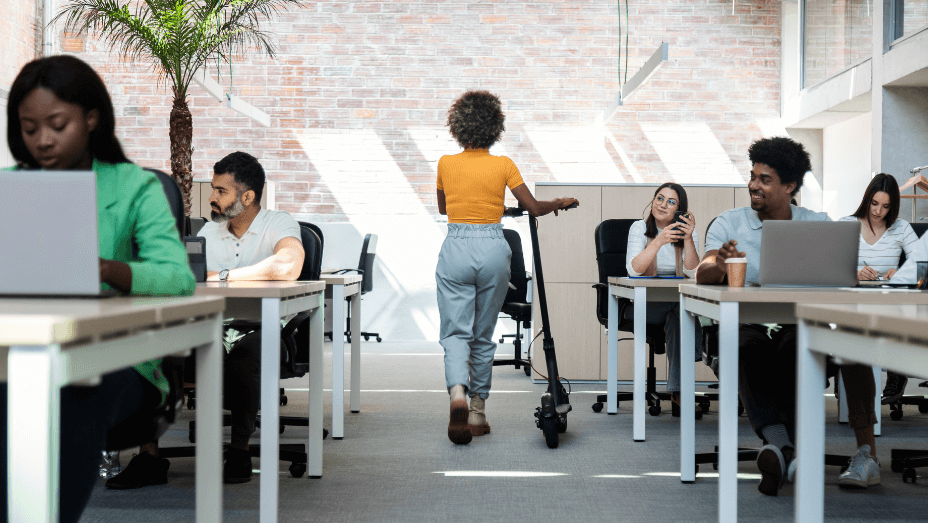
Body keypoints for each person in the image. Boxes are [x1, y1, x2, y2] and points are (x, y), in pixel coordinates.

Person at [1, 55, 195, 523]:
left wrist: (109, 270)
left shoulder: (134, 186)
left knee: (68, 395)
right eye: (29, 128)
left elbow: (177, 276)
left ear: (91, 118)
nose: (42, 140)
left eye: (56, 124)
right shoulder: (9, 187)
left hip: (119, 357)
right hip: (18, 348)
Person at [105, 151, 305, 487]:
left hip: (262, 327)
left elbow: (288, 265)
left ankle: (239, 449)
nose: (211, 197)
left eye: (220, 191)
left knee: (247, 355)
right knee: (158, 349)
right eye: (212, 189)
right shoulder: (208, 234)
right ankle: (149, 456)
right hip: (209, 326)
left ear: (247, 197)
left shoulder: (278, 222)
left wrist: (223, 276)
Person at [696, 136, 879, 495]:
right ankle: (787, 451)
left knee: (808, 346)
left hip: (799, 325)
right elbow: (703, 274)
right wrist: (717, 260)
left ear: (790, 187)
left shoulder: (819, 224)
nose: (753, 185)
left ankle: (796, 452)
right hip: (747, 325)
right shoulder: (728, 224)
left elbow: (844, 276)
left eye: (765, 179)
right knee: (744, 348)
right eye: (752, 176)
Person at [436, 90, 578, 445]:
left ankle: (457, 393)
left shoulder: (445, 163)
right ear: (494, 127)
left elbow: (445, 208)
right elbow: (532, 207)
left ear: (457, 126)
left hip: (456, 246)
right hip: (493, 249)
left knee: (456, 333)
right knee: (482, 336)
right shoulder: (503, 165)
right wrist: (559, 201)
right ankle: (477, 411)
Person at [839, 173, 919, 406]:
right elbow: (831, 265)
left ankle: (896, 373)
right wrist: (853, 272)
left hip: (888, 298)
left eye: (885, 206)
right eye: (874, 203)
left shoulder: (901, 228)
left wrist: (902, 272)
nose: (877, 211)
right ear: (867, 199)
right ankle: (842, 369)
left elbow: (922, 264)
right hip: (853, 298)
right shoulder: (846, 224)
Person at [625, 182, 703, 415]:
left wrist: (688, 239)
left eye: (671, 202)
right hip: (644, 304)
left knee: (680, 316)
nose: (663, 205)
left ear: (680, 210)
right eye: (660, 198)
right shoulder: (639, 229)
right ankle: (700, 358)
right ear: (652, 202)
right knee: (685, 314)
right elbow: (634, 270)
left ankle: (678, 392)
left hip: (676, 305)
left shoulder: (687, 233)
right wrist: (658, 241)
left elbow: (693, 272)